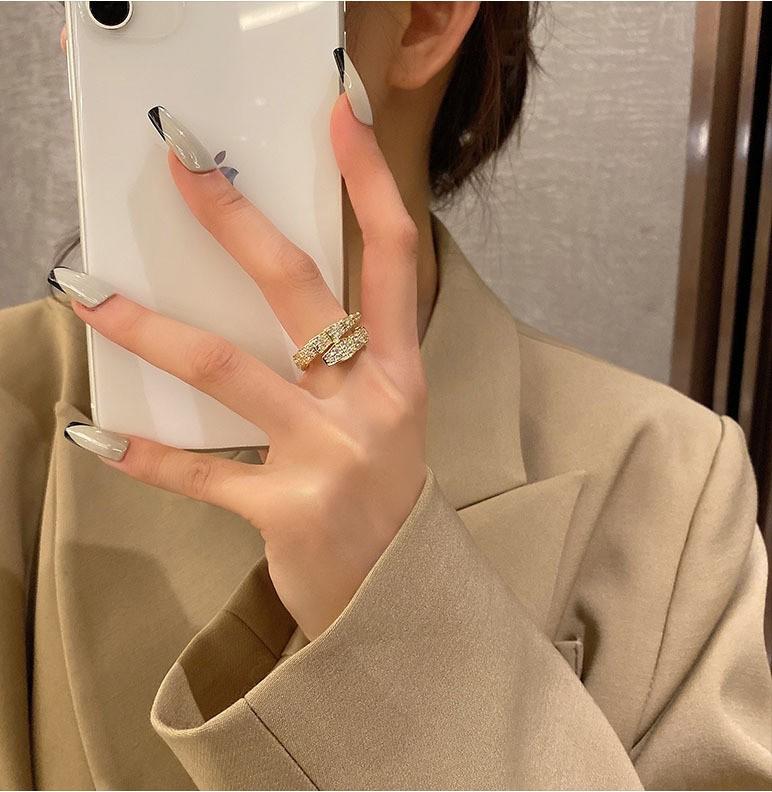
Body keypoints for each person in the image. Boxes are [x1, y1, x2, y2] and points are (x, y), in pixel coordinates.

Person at [2, 3, 770, 789]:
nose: (75, 41)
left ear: (423, 18)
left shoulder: (669, 483)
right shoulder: (11, 400)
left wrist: (402, 630)